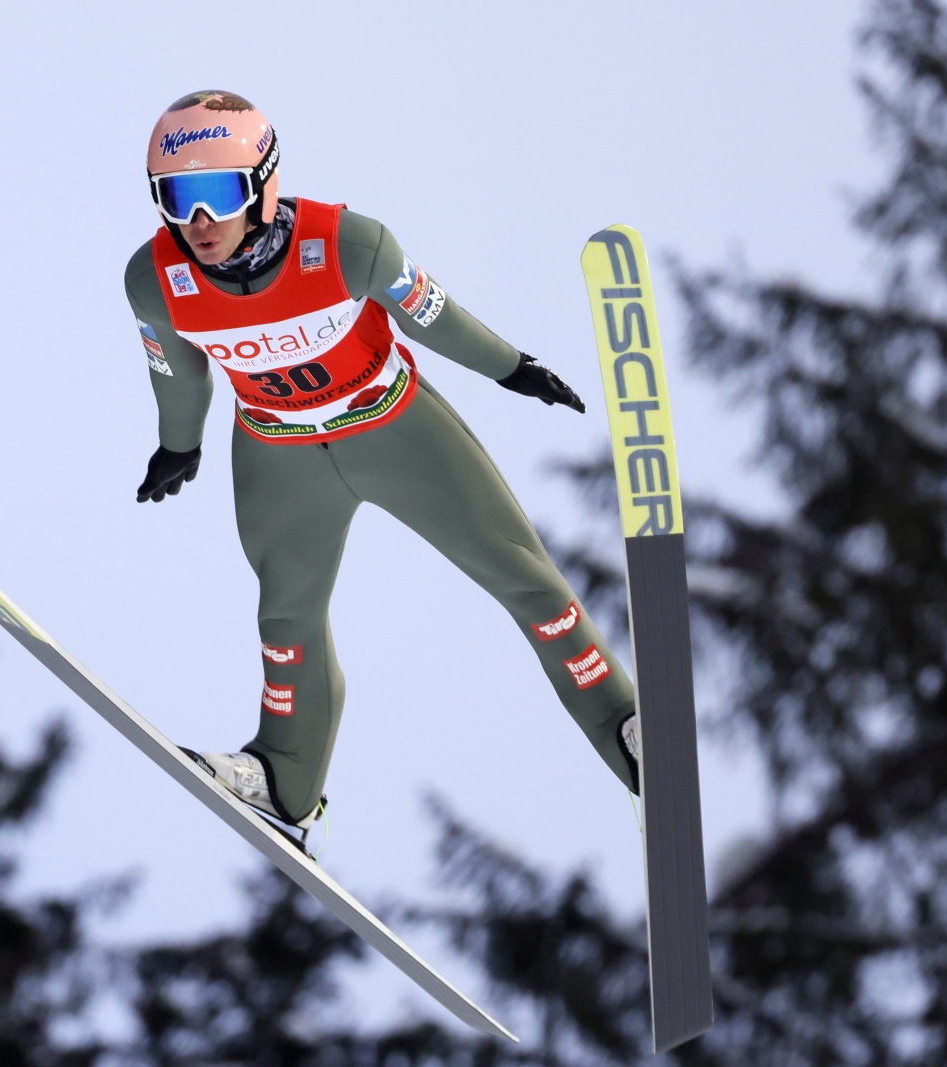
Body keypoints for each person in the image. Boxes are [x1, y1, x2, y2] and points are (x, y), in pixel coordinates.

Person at [125, 90, 641, 831]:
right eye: (177, 198)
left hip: (394, 428)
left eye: (217, 193)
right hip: (279, 453)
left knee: (524, 576)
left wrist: (511, 367)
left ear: (263, 184)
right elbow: (175, 370)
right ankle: (284, 780)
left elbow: (434, 314)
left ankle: (626, 728)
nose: (198, 222)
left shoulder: (348, 244)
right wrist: (180, 442)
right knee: (285, 617)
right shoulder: (154, 279)